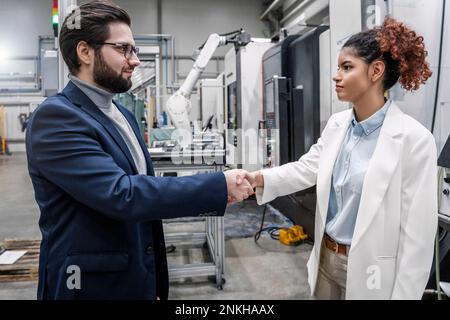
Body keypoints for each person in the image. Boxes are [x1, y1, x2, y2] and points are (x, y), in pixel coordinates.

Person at [25, 1, 253, 300]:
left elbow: (142, 197)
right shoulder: (56, 117)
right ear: (85, 52)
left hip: (135, 274)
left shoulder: (122, 114)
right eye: (124, 49)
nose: (134, 61)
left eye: (133, 50)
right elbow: (123, 195)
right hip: (90, 286)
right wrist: (217, 185)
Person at [245, 17, 437, 299]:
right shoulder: (337, 125)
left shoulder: (414, 140)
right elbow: (306, 169)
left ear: (376, 71)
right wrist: (257, 178)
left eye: (347, 67)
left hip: (374, 272)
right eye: (338, 67)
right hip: (326, 259)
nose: (336, 75)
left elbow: (417, 239)